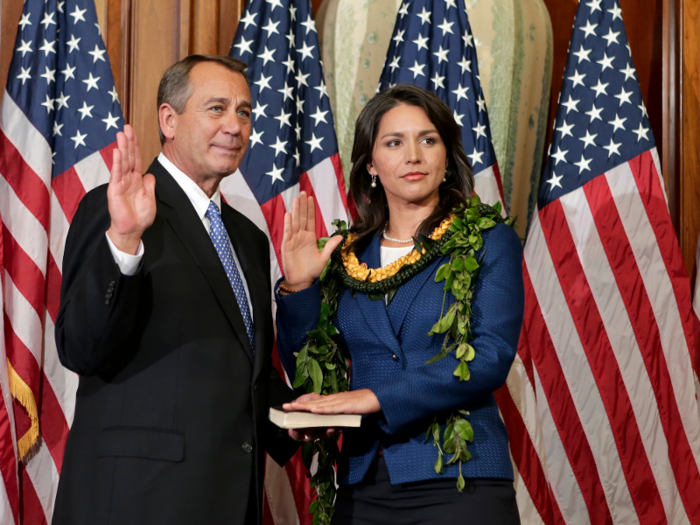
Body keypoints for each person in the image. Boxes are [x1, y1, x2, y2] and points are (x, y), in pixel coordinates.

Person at [53, 54, 297, 525]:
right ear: (169, 118)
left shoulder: (247, 237)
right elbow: (80, 348)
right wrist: (124, 243)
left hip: (228, 501)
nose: (234, 125)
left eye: (244, 112)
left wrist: (303, 416)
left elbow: (242, 373)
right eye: (217, 109)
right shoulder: (119, 209)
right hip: (138, 502)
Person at [275, 84, 524, 524]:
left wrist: (374, 397)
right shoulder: (347, 256)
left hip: (460, 477)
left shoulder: (489, 239)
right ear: (370, 163)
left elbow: (489, 357)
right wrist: (300, 286)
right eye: (394, 142)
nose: (414, 155)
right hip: (364, 481)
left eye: (428, 140)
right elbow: (312, 370)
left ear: (446, 156)